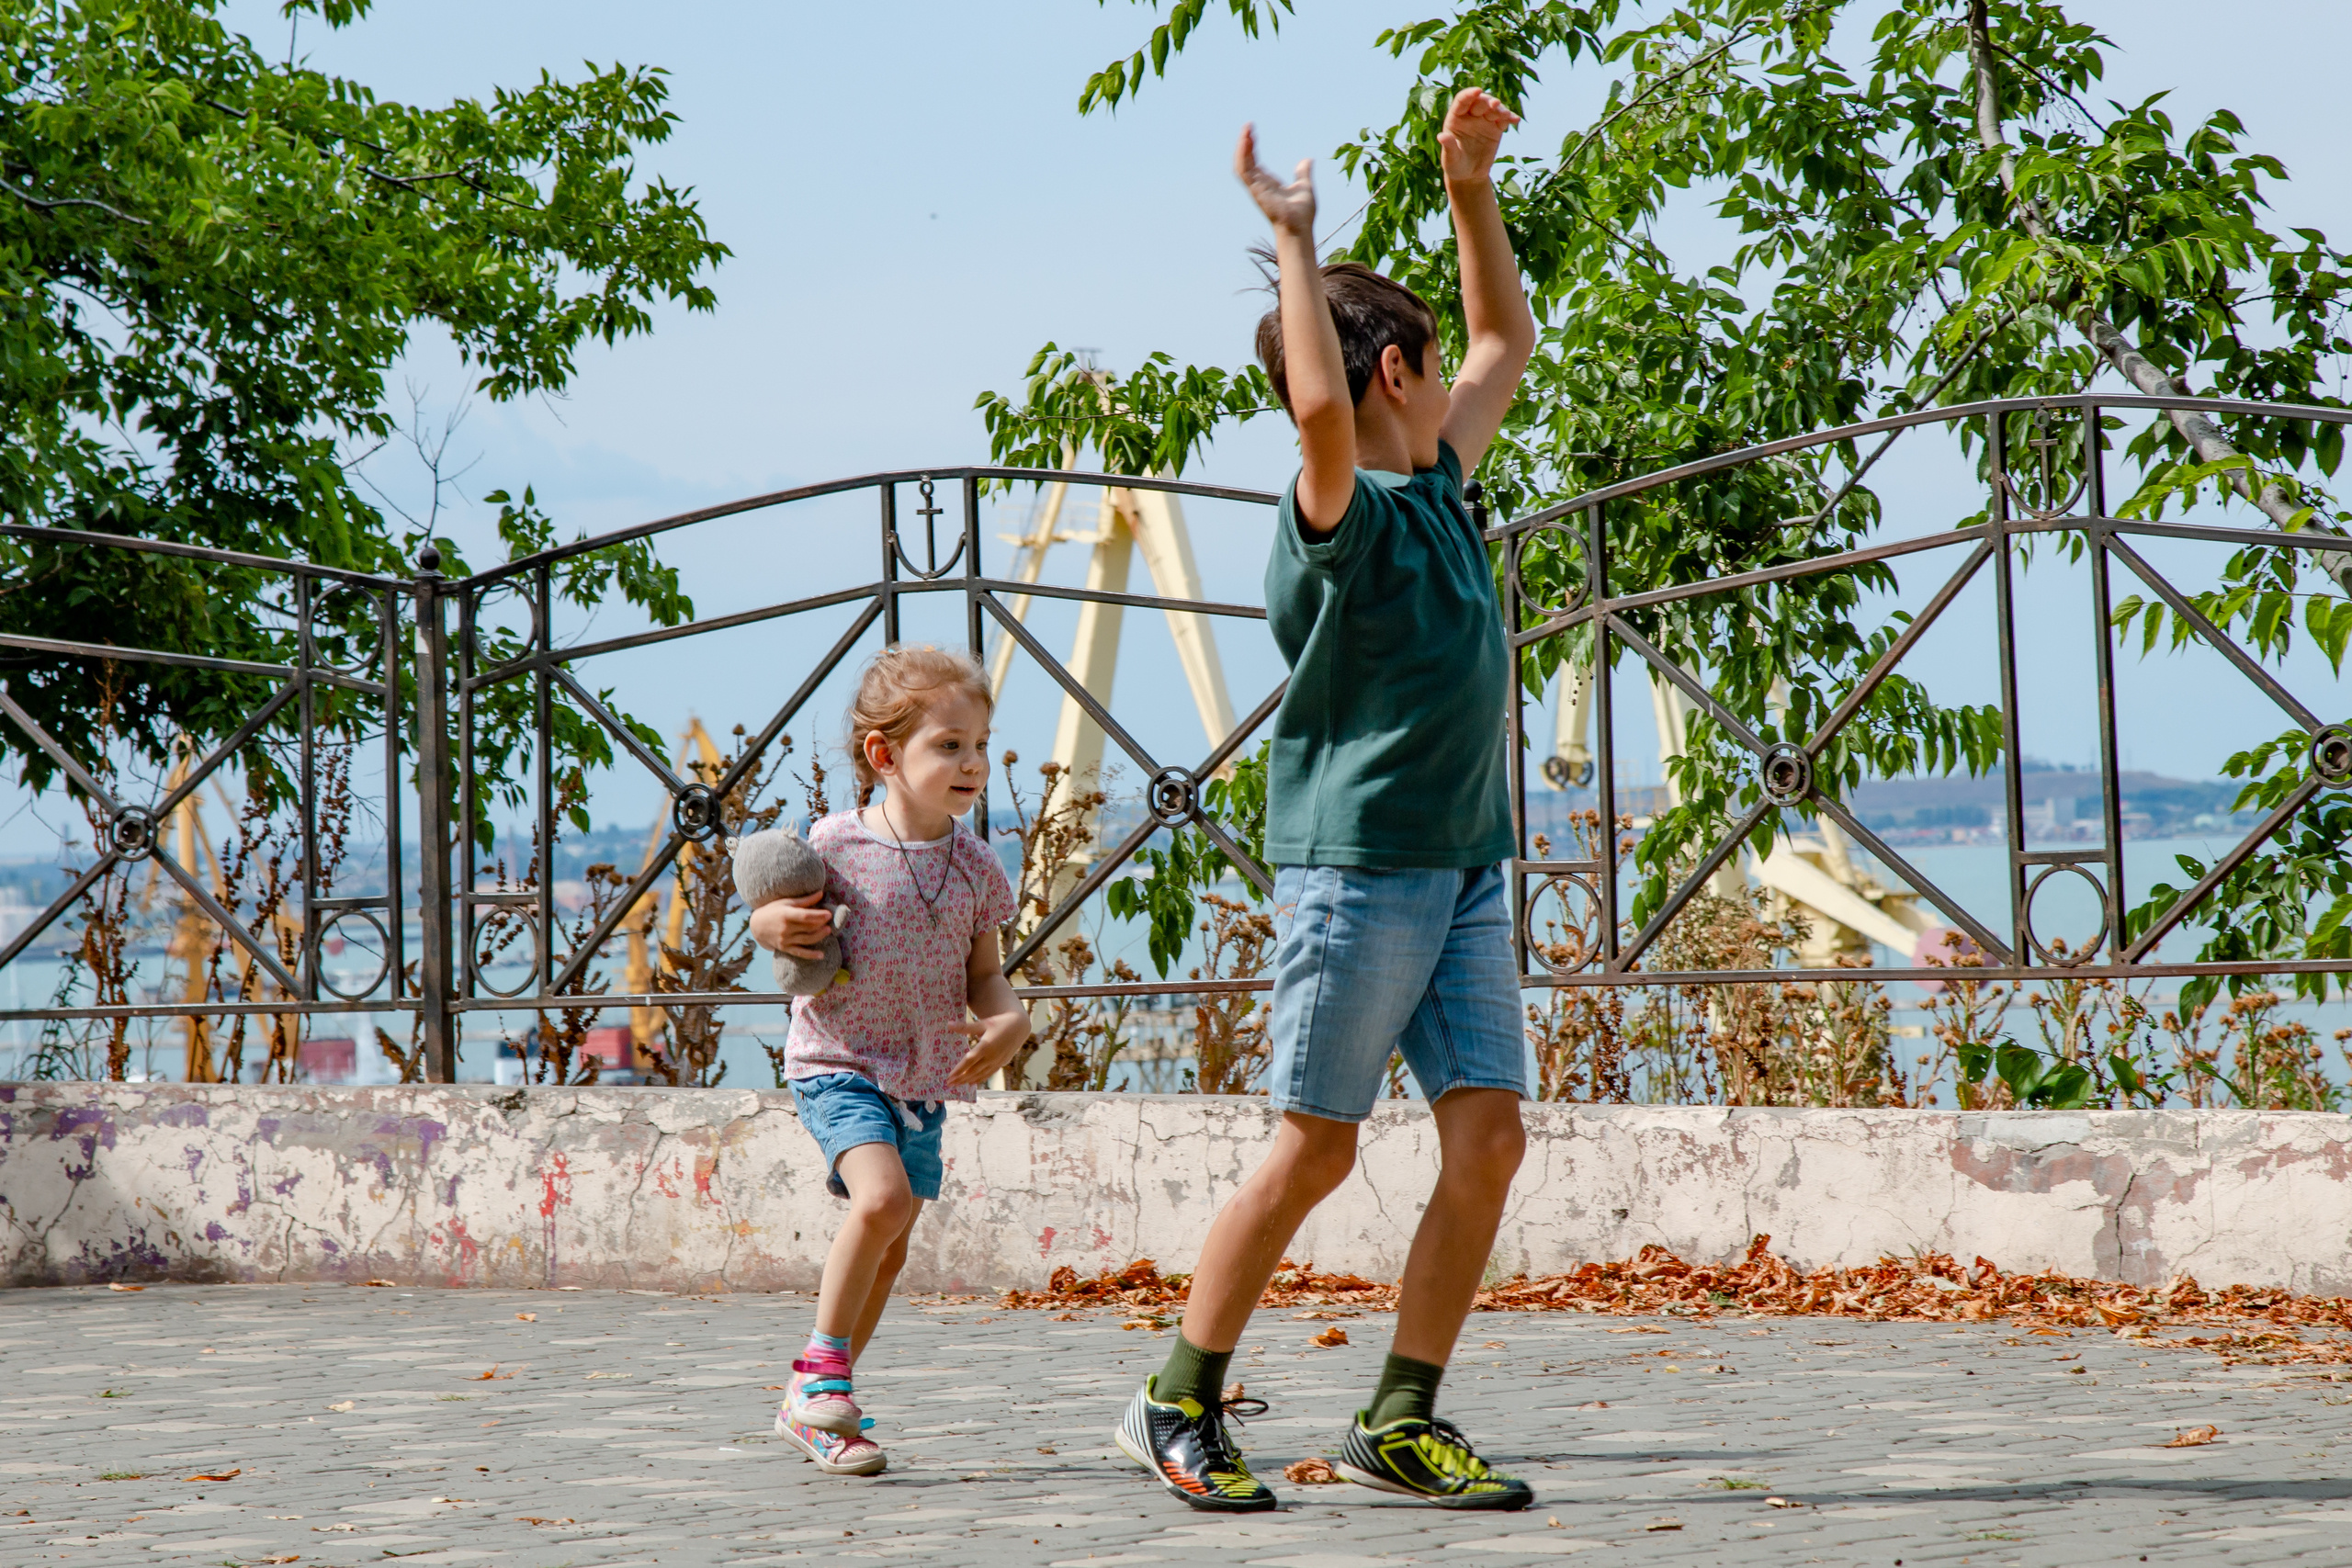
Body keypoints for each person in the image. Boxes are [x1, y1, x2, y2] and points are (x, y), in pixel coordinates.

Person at [1114, 87, 1539, 1513]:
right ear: (1396, 370)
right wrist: (1297, 239)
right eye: (1428, 364)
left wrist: (1470, 188)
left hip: (1464, 865)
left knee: (1488, 1136)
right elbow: (1315, 402)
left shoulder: (1443, 488)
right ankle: (1175, 1393)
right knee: (1318, 1145)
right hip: (1358, 871)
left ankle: (1400, 1417)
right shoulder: (1339, 514)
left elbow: (1506, 341)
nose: (1458, 377)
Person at [749, 645, 1029, 1476]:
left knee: (894, 1243)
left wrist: (1011, 1022)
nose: (972, 761)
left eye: (979, 743)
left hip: (921, 1078)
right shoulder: (831, 846)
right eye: (949, 745)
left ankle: (817, 1403)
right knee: (882, 1198)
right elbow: (771, 919)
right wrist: (768, 925)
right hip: (835, 1060)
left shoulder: (977, 864)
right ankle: (823, 1376)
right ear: (884, 756)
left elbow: (986, 974)